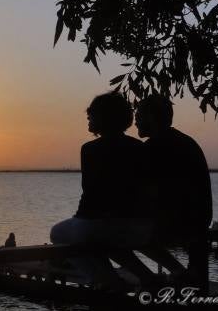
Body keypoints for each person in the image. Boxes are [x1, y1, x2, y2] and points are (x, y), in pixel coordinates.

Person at [50, 92, 154, 289]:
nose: (88, 118)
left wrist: (82, 220)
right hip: (139, 226)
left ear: (103, 118)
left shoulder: (90, 149)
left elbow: (90, 192)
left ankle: (105, 279)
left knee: (59, 233)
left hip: (103, 224)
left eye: (91, 114)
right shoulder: (139, 147)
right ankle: (143, 277)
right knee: (102, 239)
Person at [135, 94, 212, 291]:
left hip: (179, 224)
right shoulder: (186, 142)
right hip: (198, 223)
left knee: (115, 231)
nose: (135, 120)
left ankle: (157, 277)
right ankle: (187, 277)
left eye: (139, 115)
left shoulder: (155, 147)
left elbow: (147, 192)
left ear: (151, 117)